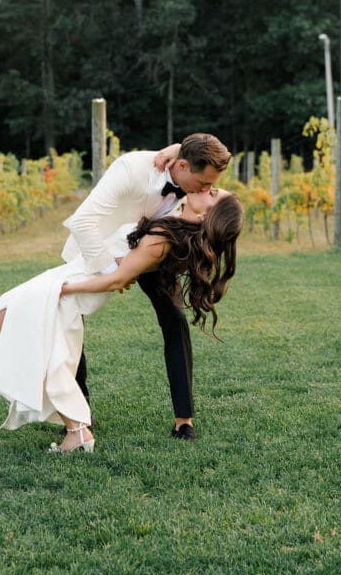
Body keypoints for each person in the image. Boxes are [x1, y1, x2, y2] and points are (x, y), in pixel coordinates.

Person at [0, 189, 243, 453]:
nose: (208, 188)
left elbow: (117, 279)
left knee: (47, 342)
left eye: (215, 194)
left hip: (83, 280)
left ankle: (81, 430)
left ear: (211, 213)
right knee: (17, 311)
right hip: (80, 273)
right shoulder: (175, 215)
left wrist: (68, 288)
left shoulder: (167, 238)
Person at [64, 132, 231, 440]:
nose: (208, 190)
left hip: (155, 251)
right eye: (204, 184)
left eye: (211, 185)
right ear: (181, 166)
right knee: (70, 319)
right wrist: (112, 270)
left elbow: (201, 154)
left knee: (175, 318)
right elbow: (82, 221)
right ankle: (78, 413)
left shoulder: (190, 171)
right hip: (102, 248)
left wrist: (178, 145)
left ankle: (184, 419)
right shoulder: (131, 169)